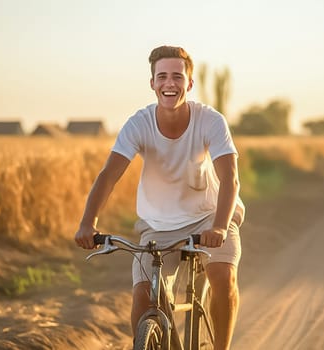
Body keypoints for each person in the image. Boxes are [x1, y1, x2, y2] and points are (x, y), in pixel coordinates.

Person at [74, 45, 245, 350]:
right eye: (162, 76)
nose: (170, 83)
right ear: (152, 83)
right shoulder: (139, 124)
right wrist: (89, 222)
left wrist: (219, 226)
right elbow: (108, 176)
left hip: (210, 215)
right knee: (143, 297)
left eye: (177, 77)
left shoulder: (210, 121)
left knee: (220, 274)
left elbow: (230, 177)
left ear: (189, 84)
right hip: (157, 224)